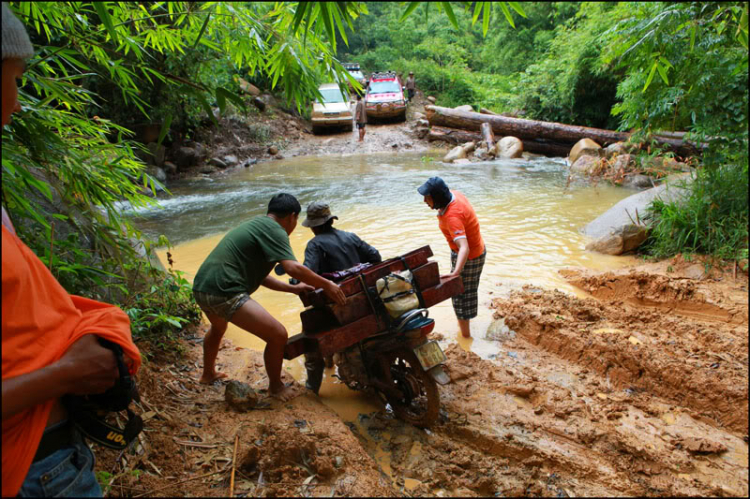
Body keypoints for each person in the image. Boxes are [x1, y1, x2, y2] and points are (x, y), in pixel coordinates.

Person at [2, 4, 141, 497]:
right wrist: (66, 373)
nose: (17, 103)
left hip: (49, 455)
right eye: (14, 79)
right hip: (31, 470)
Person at [192, 193, 346, 401]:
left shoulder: (257, 225)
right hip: (224, 290)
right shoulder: (276, 230)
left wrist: (293, 289)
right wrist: (326, 284)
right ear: (292, 216)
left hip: (202, 287)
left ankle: (208, 374)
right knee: (278, 335)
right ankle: (276, 387)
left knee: (219, 328)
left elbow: (261, 277)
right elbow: (293, 268)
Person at [300, 202, 382, 394]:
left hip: (338, 309)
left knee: (309, 338)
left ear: (314, 226)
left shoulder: (315, 244)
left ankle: (312, 389)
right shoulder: (350, 236)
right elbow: (376, 257)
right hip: (364, 303)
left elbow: (308, 275)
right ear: (330, 220)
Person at [417, 177, 486, 338]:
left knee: (461, 295)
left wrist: (455, 272)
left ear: (437, 198)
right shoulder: (454, 195)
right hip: (474, 249)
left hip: (470, 256)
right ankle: (465, 329)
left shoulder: (452, 216)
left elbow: (464, 248)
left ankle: (466, 337)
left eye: (427, 197)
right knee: (463, 292)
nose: (424, 201)